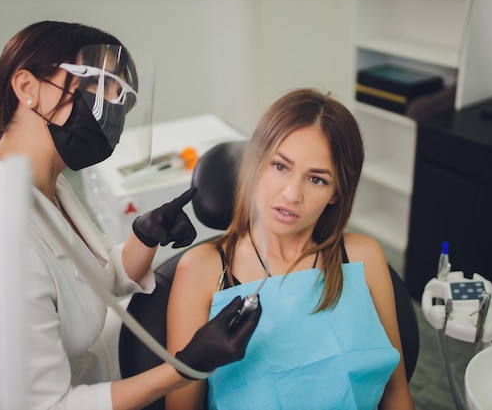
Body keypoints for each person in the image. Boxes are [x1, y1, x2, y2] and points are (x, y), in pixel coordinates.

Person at [0, 21, 260, 410]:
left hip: (96, 371)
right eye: (98, 84)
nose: (112, 107)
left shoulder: (43, 185)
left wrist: (144, 235)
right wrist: (186, 367)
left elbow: (92, 277)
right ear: (27, 88)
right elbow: (49, 406)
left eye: (120, 94)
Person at [165, 88, 416, 410]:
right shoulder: (201, 269)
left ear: (336, 193)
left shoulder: (363, 256)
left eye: (317, 180)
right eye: (280, 166)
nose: (292, 194)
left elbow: (395, 392)